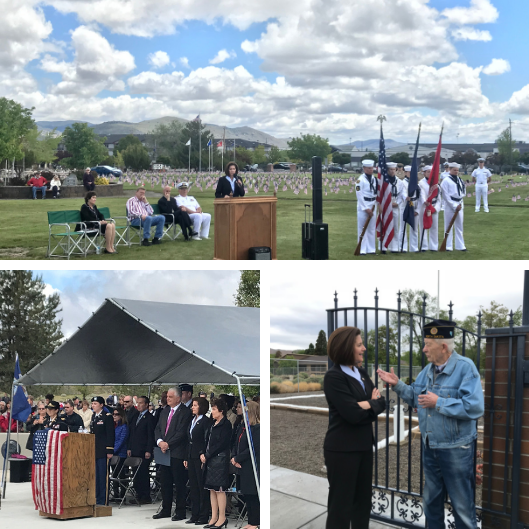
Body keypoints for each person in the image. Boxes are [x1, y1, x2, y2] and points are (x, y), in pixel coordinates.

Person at [377, 319, 484, 529]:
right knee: (431, 504)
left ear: (443, 346)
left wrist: (439, 402)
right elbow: (417, 397)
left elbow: (475, 407)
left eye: (428, 345)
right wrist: (397, 385)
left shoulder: (465, 368)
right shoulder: (427, 370)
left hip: (456, 449)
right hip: (431, 446)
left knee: (462, 507)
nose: (424, 349)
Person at [323, 326, 386, 529]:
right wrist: (369, 403)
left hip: (364, 447)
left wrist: (365, 404)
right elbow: (351, 414)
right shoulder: (334, 377)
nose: (364, 348)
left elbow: (382, 402)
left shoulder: (360, 372)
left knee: (362, 504)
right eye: (359, 345)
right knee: (340, 507)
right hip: (342, 450)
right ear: (346, 348)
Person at [153, 387, 192, 521]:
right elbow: (158, 428)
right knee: (165, 482)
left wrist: (167, 444)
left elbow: (182, 433)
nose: (167, 399)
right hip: (164, 452)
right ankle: (166, 509)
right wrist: (160, 442)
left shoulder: (185, 412)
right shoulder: (165, 411)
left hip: (177, 452)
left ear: (178, 398)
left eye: (170, 397)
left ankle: (180, 511)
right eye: (167, 397)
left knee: (179, 483)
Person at [202, 398, 233, 529]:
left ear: (221, 411)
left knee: (220, 490)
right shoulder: (212, 423)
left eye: (214, 409)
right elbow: (207, 441)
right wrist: (203, 453)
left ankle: (222, 517)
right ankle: (214, 516)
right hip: (210, 460)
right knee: (211, 489)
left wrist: (207, 454)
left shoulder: (226, 425)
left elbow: (222, 444)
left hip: (220, 459)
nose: (212, 412)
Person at [183, 397, 212, 525]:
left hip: (200, 456)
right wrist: (186, 457)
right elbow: (188, 440)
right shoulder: (192, 420)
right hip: (191, 455)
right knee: (193, 486)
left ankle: (203, 515)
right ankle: (194, 514)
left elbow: (206, 440)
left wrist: (203, 454)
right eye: (192, 405)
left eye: (195, 405)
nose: (192, 407)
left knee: (201, 487)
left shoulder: (205, 421)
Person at [231, 401, 260, 529]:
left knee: (253, 494)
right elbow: (236, 443)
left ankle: (256, 522)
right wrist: (234, 457)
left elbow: (253, 448)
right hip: (241, 465)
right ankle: (251, 521)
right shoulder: (243, 426)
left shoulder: (257, 428)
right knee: (246, 494)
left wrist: (238, 458)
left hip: (250, 465)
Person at [126, 395, 155, 504]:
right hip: (134, 449)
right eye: (137, 403)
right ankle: (138, 494)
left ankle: (145, 496)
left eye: (141, 403)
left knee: (143, 473)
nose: (138, 405)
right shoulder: (135, 416)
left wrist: (148, 450)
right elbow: (131, 433)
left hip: (144, 450)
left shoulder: (149, 417)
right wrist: (129, 447)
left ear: (146, 405)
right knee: (136, 473)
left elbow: (150, 435)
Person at [90, 396, 115, 506]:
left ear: (101, 405)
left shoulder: (107, 417)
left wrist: (110, 450)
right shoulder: (94, 416)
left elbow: (110, 434)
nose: (93, 405)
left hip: (104, 450)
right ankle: (96, 497)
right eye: (92, 403)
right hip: (95, 450)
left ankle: (103, 500)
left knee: (102, 476)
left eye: (95, 403)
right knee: (96, 476)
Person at [440, 162, 466, 251]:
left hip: (459, 203)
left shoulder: (459, 179)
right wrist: (453, 205)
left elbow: (463, 191)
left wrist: (460, 203)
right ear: (450, 170)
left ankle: (460, 246)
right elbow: (445, 195)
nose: (456, 172)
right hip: (450, 204)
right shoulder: (446, 180)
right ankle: (448, 246)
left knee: (459, 226)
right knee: (448, 225)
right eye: (454, 170)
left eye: (457, 170)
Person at [355, 160, 378, 255]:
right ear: (364, 168)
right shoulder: (360, 180)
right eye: (369, 168)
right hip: (363, 205)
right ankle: (362, 249)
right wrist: (365, 208)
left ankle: (371, 249)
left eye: (372, 168)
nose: (371, 170)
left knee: (372, 228)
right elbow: (359, 194)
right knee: (362, 227)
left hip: (373, 204)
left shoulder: (374, 179)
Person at [399, 164, 423, 253]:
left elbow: (420, 198)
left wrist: (417, 210)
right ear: (405, 173)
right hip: (405, 205)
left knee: (414, 228)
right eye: (410, 173)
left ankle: (414, 247)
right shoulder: (402, 182)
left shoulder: (417, 184)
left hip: (415, 204)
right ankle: (402, 247)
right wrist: (406, 197)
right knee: (402, 228)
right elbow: (402, 192)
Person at [382, 162, 405, 253]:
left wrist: (397, 203)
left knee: (395, 226)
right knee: (385, 225)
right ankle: (384, 246)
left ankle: (394, 247)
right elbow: (381, 194)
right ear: (387, 170)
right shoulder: (383, 181)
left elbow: (401, 194)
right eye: (390, 169)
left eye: (393, 169)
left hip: (395, 204)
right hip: (385, 205)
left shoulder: (399, 182)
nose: (392, 171)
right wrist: (387, 203)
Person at [418, 166, 441, 252]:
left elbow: (439, 198)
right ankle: (424, 246)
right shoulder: (421, 183)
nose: (430, 173)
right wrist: (425, 202)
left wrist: (436, 208)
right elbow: (422, 195)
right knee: (423, 226)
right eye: (428, 172)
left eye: (431, 172)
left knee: (434, 227)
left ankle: (434, 246)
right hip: (424, 207)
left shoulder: (436, 184)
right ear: (424, 173)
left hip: (434, 207)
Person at [111, 407, 129, 501]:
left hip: (120, 454)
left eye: (116, 414)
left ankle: (122, 494)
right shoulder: (115, 426)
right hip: (114, 454)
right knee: (114, 474)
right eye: (113, 414)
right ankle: (116, 494)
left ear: (121, 416)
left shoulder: (124, 427)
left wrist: (113, 450)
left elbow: (121, 440)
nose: (114, 416)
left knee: (120, 474)